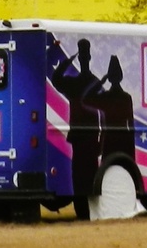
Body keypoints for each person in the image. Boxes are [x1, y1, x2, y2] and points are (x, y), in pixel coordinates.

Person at [51, 38, 103, 214]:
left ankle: (84, 211)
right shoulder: (94, 83)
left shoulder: (77, 84)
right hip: (87, 137)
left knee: (82, 177)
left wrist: (68, 60)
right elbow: (56, 80)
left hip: (83, 137)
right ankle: (87, 211)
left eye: (82, 56)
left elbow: (56, 78)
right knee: (86, 177)